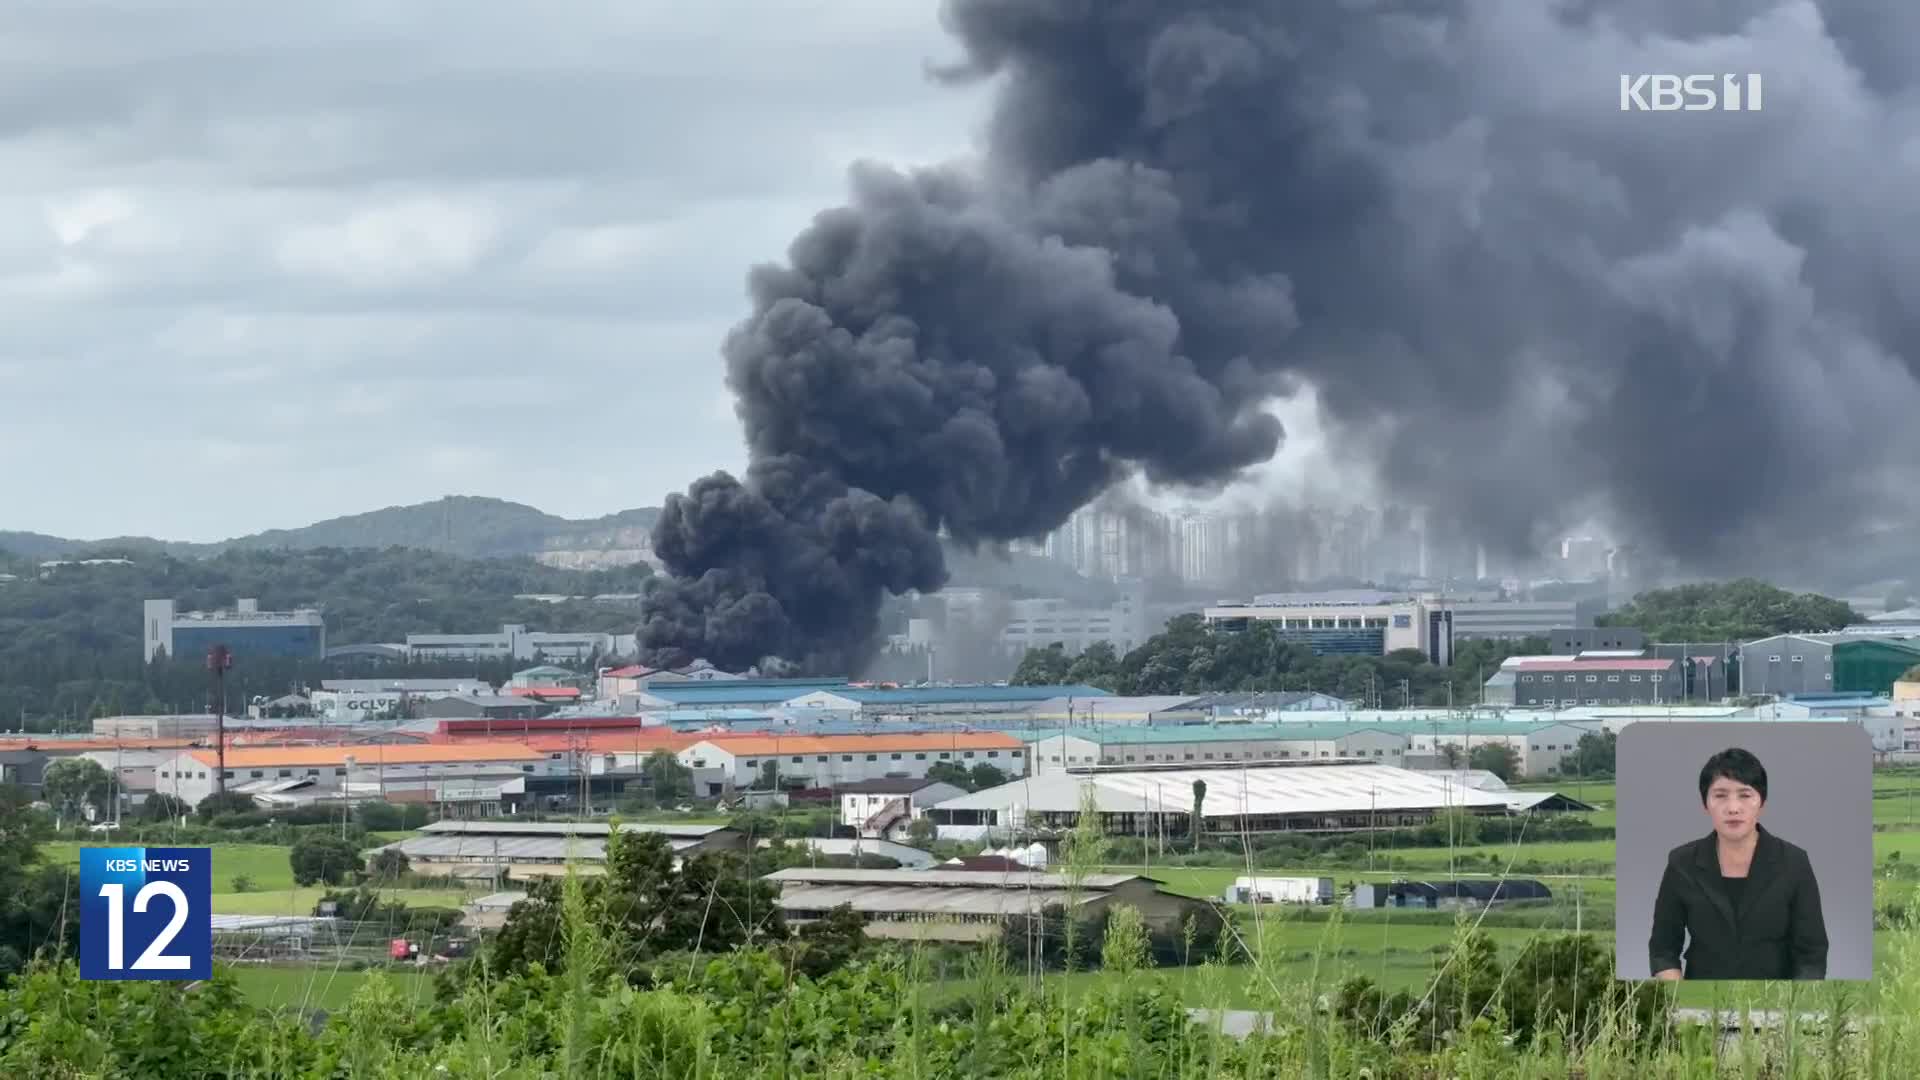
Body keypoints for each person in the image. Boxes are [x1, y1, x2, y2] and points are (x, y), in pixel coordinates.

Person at [1648, 747, 1828, 980]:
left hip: (1775, 1000)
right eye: (1720, 795)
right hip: (1702, 995)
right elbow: (1663, 949)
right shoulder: (1681, 863)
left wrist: (1795, 1007)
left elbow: (1812, 954)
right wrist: (1678, 999)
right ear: (1705, 804)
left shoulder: (1794, 862)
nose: (1733, 807)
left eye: (1745, 795)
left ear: (1761, 802)